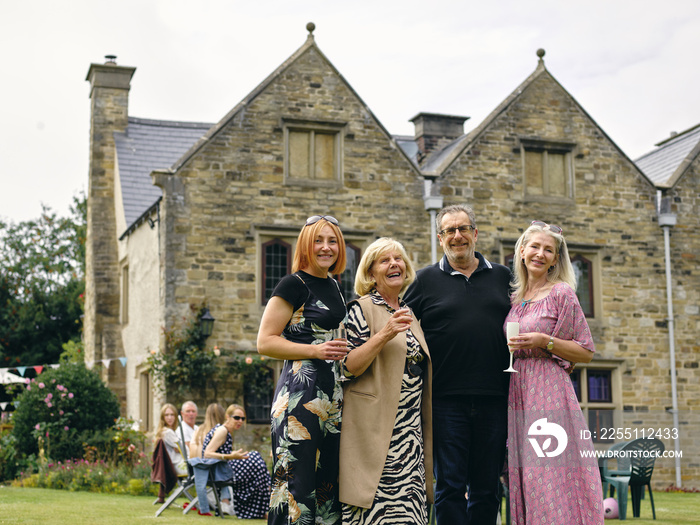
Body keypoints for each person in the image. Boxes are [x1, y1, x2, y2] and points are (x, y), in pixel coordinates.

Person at [404, 204, 511, 524]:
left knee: (487, 487)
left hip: (495, 397)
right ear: (440, 238)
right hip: (444, 399)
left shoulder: (504, 277)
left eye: (463, 229)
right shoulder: (423, 280)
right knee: (449, 484)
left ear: (475, 234)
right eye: (450, 230)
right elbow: (400, 329)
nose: (457, 236)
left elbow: (533, 313)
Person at [504, 221, 604, 524]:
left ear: (556, 259)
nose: (540, 253)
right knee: (527, 475)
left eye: (548, 250)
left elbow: (585, 351)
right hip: (517, 390)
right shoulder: (514, 298)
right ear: (522, 251)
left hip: (548, 391)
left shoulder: (561, 293)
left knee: (549, 472)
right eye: (534, 246)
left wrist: (543, 341)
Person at [257, 214, 348, 525]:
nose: (326, 247)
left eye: (332, 240)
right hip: (299, 395)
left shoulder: (335, 286)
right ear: (306, 246)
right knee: (295, 485)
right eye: (318, 241)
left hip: (331, 397)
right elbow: (265, 342)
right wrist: (315, 350)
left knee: (326, 487)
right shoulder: (292, 284)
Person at [338, 237, 433, 524]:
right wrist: (385, 334)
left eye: (399, 258)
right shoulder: (360, 309)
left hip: (409, 438)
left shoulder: (409, 313)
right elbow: (347, 366)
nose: (395, 264)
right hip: (375, 434)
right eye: (385, 260)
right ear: (370, 273)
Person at [189, 403, 239, 516]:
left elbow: (192, 453)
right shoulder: (220, 430)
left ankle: (223, 503)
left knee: (223, 466)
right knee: (226, 466)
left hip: (198, 466)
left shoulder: (198, 430)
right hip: (210, 469)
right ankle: (226, 502)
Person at [223, 404, 272, 519]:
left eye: (243, 419)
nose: (240, 421)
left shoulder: (229, 431)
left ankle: (261, 510)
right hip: (223, 470)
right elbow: (207, 454)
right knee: (255, 458)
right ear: (227, 416)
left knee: (257, 464)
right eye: (236, 418)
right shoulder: (223, 431)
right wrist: (232, 456)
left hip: (228, 466)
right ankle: (263, 510)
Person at [152, 403, 187, 503]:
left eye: (172, 415)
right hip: (177, 466)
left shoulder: (164, 431)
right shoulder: (168, 432)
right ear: (162, 417)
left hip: (173, 464)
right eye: (166, 415)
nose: (170, 418)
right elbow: (181, 449)